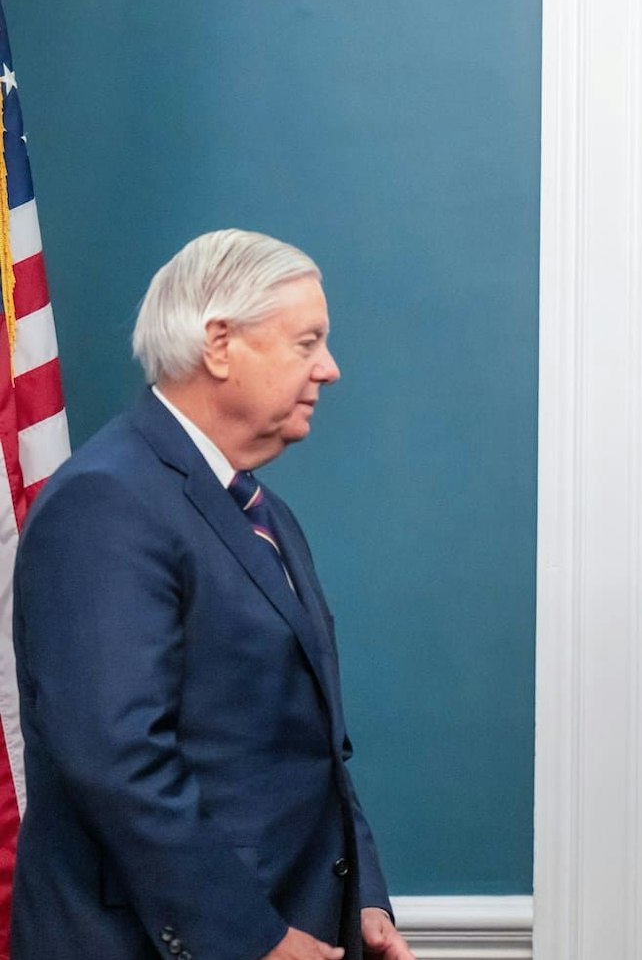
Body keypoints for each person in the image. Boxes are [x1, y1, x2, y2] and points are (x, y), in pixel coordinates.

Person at [11, 230, 411, 960]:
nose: (329, 368)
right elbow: (116, 759)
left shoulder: (262, 511)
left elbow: (314, 745)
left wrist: (364, 897)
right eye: (307, 342)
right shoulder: (106, 502)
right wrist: (251, 939)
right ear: (220, 344)